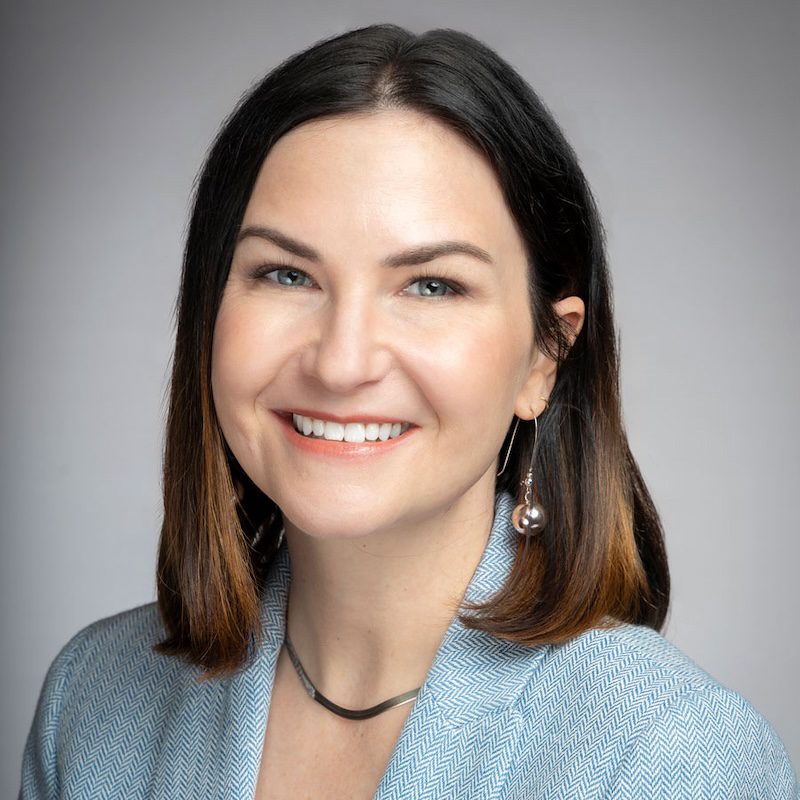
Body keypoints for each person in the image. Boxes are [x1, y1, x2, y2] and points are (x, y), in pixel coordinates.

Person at [19, 23, 797, 800]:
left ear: (544, 357)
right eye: (287, 274)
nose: (342, 361)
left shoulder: (674, 757)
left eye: (431, 286)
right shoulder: (90, 703)